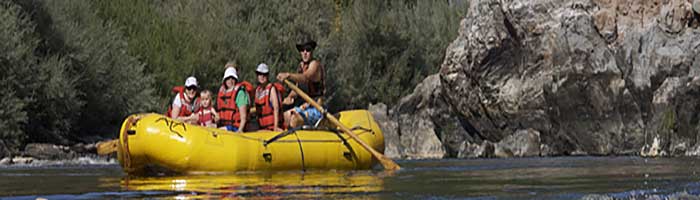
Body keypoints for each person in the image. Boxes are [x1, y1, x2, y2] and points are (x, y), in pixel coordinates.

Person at [277, 36, 325, 128]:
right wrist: (289, 97)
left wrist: (288, 75)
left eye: (308, 50)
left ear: (312, 51)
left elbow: (305, 78)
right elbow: (298, 87)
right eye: (302, 50)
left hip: (317, 109)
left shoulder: (315, 65)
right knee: (285, 116)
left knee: (294, 119)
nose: (305, 53)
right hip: (304, 107)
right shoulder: (301, 66)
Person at [217, 65, 253, 132]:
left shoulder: (240, 93)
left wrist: (240, 129)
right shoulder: (223, 93)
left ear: (236, 80)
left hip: (236, 127)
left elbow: (243, 117)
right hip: (226, 126)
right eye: (228, 78)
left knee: (220, 130)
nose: (230, 80)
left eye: (232, 78)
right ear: (224, 80)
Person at [254, 63, 286, 131]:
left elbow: (276, 109)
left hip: (271, 128)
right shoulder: (257, 91)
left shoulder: (271, 89)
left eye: (264, 74)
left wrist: (276, 127)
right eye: (260, 74)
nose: (262, 76)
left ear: (268, 75)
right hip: (263, 127)